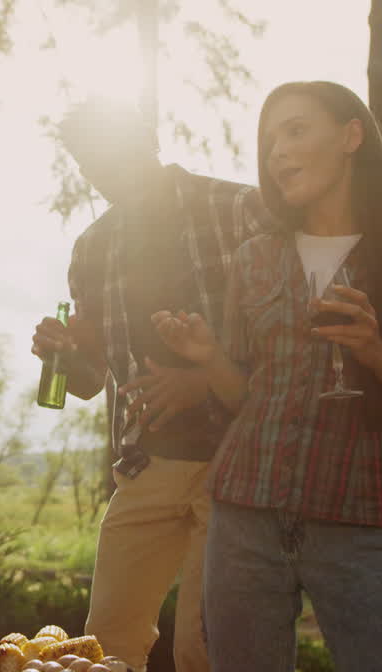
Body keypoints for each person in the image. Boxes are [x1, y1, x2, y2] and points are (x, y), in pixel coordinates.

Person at [152, 81, 382, 671]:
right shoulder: (256, 257)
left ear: (352, 136)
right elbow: (248, 395)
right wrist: (209, 358)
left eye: (295, 130)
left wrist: (375, 352)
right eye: (270, 137)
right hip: (244, 513)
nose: (276, 151)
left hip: (361, 518)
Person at [31, 97, 269, 672]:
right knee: (103, 645)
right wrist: (66, 352)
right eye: (85, 161)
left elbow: (291, 341)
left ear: (146, 138)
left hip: (236, 463)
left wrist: (203, 381)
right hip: (147, 465)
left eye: (105, 151)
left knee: (202, 649)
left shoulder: (236, 209)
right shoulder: (92, 247)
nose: (96, 170)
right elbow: (90, 383)